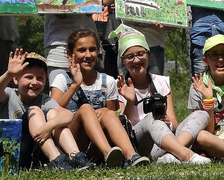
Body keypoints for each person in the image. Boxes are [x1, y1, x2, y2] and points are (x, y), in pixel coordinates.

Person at [49, 29, 150, 168]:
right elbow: (51, 112)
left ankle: (131, 156)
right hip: (71, 144)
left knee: (108, 113)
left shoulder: (107, 81)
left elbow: (113, 120)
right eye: (82, 50)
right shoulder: (62, 79)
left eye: (92, 49)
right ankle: (107, 152)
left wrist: (126, 103)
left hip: (96, 146)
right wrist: (75, 85)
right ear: (69, 54)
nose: (88, 55)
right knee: (85, 109)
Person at [111, 24, 210, 165]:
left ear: (148, 55)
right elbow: (122, 129)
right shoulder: (119, 85)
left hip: (164, 140)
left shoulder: (162, 82)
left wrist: (168, 122)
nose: (137, 60)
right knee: (151, 118)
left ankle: (169, 155)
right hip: (139, 144)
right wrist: (130, 101)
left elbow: (175, 124)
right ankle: (186, 155)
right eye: (130, 56)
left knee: (202, 114)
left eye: (140, 54)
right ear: (123, 61)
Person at [0, 50, 89, 170]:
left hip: (38, 156)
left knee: (55, 114)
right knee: (35, 111)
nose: (34, 82)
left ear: (45, 80)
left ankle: (77, 158)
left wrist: (49, 126)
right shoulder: (8, 94)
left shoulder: (44, 99)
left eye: (39, 78)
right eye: (29, 77)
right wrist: (8, 74)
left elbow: (68, 115)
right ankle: (56, 160)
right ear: (16, 79)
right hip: (12, 154)